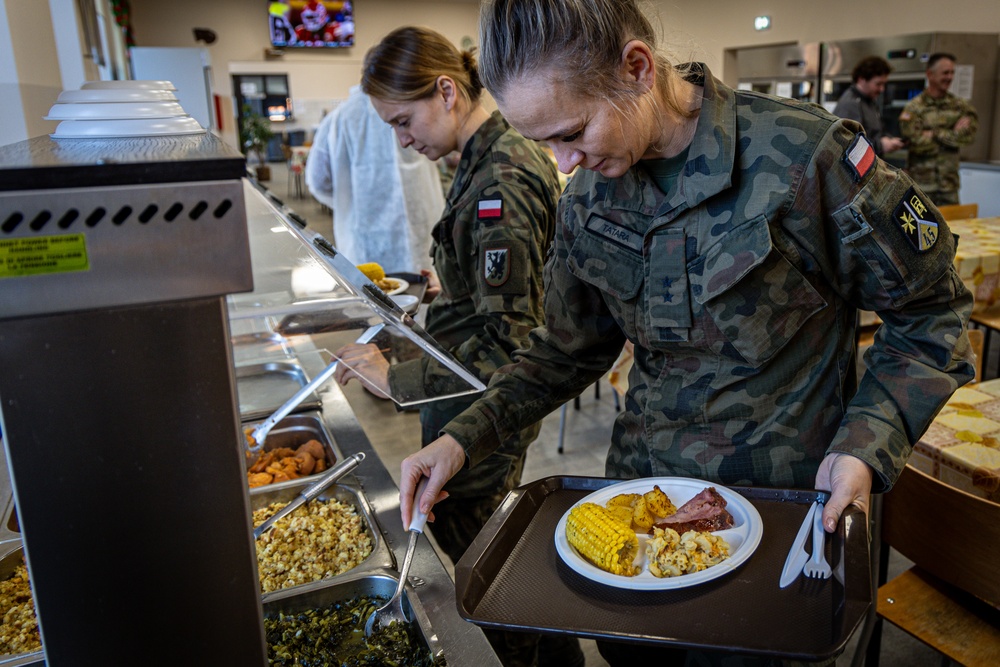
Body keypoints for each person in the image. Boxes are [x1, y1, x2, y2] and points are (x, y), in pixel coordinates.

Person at [399, 1, 975, 663]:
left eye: (572, 130)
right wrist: (463, 438)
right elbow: (564, 348)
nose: (561, 163)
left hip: (781, 523)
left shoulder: (801, 159)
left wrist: (866, 442)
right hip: (637, 525)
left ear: (638, 68)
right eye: (545, 142)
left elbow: (933, 309)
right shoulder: (589, 190)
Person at [331, 26, 576, 667]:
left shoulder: (501, 178)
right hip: (465, 394)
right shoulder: (478, 161)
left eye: (404, 120)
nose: (402, 139)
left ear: (446, 91)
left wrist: (399, 377)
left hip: (483, 410)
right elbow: (485, 298)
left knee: (485, 572)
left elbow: (513, 341)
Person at [305, 84, 445, 274]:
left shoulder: (339, 117)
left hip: (364, 239)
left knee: (375, 293)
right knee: (425, 290)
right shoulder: (413, 107)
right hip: (422, 228)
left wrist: (347, 202)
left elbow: (318, 179)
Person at [899, 52, 979, 206]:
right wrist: (952, 134)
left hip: (949, 185)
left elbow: (968, 137)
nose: (949, 77)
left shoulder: (960, 106)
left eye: (952, 73)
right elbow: (916, 143)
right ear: (930, 74)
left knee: (952, 228)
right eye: (945, 73)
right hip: (921, 186)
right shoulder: (914, 108)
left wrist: (934, 134)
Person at [832, 55, 905, 157]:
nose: (882, 89)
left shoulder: (869, 101)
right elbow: (847, 144)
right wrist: (880, 145)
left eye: (884, 84)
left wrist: (889, 139)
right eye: (878, 84)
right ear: (862, 79)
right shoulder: (850, 104)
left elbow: (876, 131)